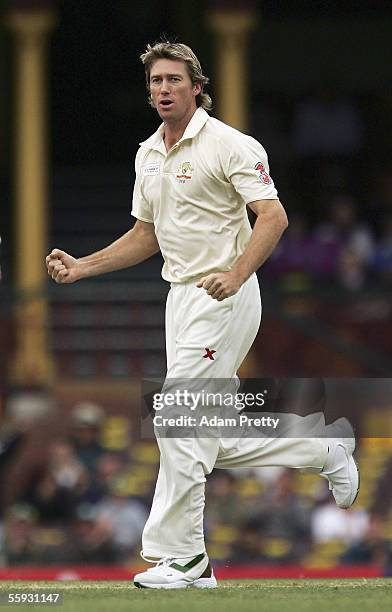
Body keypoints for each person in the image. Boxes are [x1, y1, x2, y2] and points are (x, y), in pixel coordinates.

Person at [46, 41, 359, 589]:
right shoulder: (148, 153)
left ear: (196, 85)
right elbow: (147, 235)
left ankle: (187, 558)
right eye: (155, 81)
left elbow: (274, 217)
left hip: (226, 295)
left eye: (173, 79)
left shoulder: (230, 145)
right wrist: (82, 267)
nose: (163, 89)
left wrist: (236, 275)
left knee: (177, 415)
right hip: (181, 298)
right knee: (205, 433)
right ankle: (321, 447)